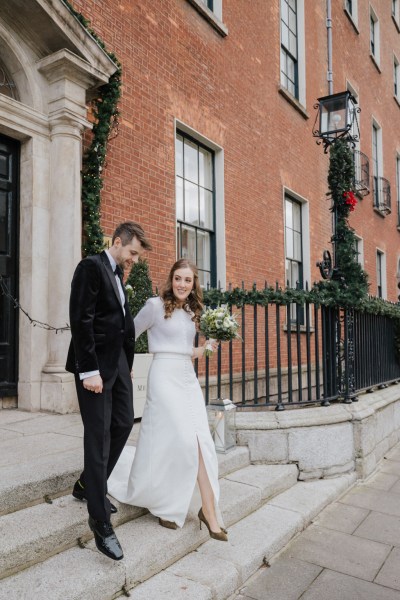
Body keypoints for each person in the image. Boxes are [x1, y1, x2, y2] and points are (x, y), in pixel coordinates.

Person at [108, 259, 228, 541]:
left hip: (187, 378)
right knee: (181, 440)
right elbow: (128, 333)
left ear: (193, 283)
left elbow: (187, 351)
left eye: (187, 280)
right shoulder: (154, 305)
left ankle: (207, 511)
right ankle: (168, 505)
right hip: (163, 377)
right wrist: (125, 363)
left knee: (200, 442)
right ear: (171, 279)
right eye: (178, 279)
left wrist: (207, 348)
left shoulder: (191, 311)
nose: (182, 285)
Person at [65, 221, 152, 560]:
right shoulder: (91, 267)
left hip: (118, 366)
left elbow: (118, 322)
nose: (133, 260)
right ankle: (99, 520)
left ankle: (88, 483)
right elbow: (81, 319)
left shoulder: (117, 273)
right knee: (98, 435)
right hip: (95, 369)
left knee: (122, 424)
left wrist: (125, 360)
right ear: (117, 242)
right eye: (131, 252)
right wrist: (89, 370)